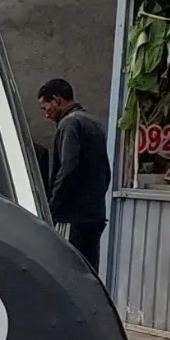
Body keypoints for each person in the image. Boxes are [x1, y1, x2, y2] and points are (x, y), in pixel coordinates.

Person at [38, 78, 111, 274]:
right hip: (94, 215)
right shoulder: (94, 123)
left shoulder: (69, 124)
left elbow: (68, 167)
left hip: (72, 217)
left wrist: (53, 207)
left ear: (57, 100)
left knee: (67, 269)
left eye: (46, 107)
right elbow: (106, 171)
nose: (46, 114)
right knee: (89, 271)